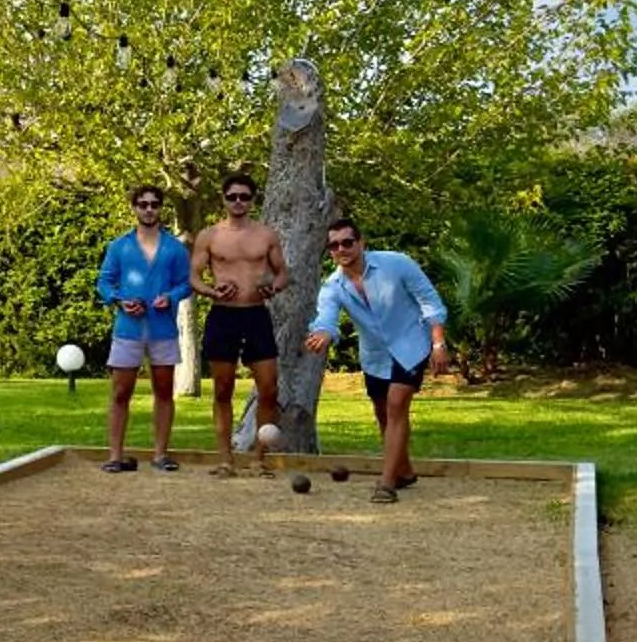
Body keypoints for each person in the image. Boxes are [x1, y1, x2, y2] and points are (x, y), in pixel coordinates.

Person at [304, 216, 449, 505]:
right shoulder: (332, 286)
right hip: (375, 354)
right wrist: (323, 333)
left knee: (397, 404)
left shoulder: (397, 263)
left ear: (361, 242)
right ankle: (404, 471)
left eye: (347, 242)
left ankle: (387, 482)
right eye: (333, 245)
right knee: (383, 412)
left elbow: (430, 300)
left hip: (411, 343)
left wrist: (438, 342)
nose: (341, 249)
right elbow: (327, 319)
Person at [190, 169, 290, 474]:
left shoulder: (266, 234)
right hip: (223, 316)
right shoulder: (210, 236)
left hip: (256, 315)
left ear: (252, 200)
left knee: (269, 387)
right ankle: (225, 459)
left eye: (244, 197)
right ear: (224, 199)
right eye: (232, 197)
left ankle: (259, 459)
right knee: (222, 388)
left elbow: (283, 272)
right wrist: (211, 290)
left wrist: (272, 286)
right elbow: (193, 276)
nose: (238, 202)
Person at [96, 183, 193, 473]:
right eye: (143, 204)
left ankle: (161, 455)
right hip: (128, 330)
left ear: (160, 208)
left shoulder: (174, 248)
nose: (149, 209)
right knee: (120, 392)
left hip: (163, 329)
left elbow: (187, 284)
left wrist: (171, 297)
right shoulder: (119, 246)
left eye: (154, 204)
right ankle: (115, 456)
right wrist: (120, 301)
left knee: (164, 392)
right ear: (135, 208)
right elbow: (104, 282)